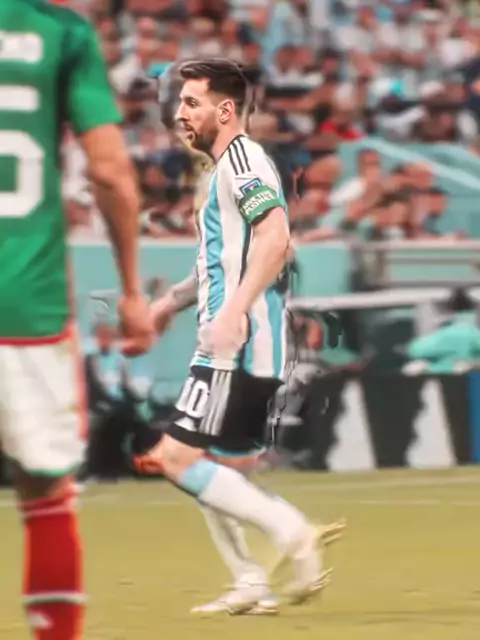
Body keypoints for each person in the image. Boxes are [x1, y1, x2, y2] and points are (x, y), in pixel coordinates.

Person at [133, 58, 345, 615]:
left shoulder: (243, 161)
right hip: (244, 340)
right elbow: (223, 259)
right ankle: (251, 581)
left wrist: (233, 311)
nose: (180, 114)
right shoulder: (223, 168)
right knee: (217, 471)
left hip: (238, 343)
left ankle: (292, 531)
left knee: (175, 458)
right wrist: (170, 303)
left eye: (192, 103)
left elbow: (277, 239)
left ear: (225, 110)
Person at [0, 1, 154, 638]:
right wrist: (130, 291)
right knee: (46, 491)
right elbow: (110, 171)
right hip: (26, 300)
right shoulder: (60, 32)